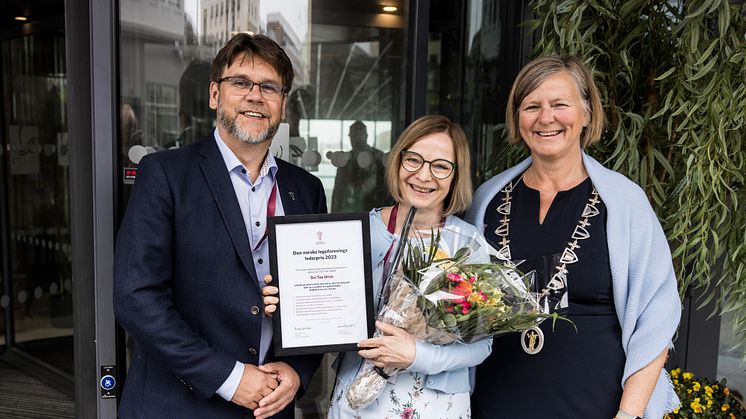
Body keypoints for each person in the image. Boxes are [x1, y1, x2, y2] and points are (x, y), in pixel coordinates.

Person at [113, 33, 326, 419]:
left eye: (270, 87)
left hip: (271, 406)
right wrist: (227, 377)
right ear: (215, 94)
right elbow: (136, 297)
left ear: (283, 104)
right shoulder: (164, 175)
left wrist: (299, 370)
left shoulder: (306, 189)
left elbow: (317, 297)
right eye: (241, 82)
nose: (255, 96)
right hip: (181, 404)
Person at [465, 55, 681, 419]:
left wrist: (629, 415)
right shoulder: (487, 199)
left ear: (586, 114)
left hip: (596, 406)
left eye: (560, 104)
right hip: (495, 402)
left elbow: (656, 321)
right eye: (532, 106)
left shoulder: (624, 203)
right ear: (518, 118)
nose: (546, 117)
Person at [264, 115, 493, 417]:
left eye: (439, 166)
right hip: (359, 402)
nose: (423, 176)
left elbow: (482, 344)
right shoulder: (357, 233)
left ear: (455, 175)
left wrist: (417, 354)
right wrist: (291, 303)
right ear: (398, 162)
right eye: (413, 160)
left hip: (437, 404)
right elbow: (330, 323)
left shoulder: (467, 244)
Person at [330, 120, 387, 212]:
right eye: (353, 136)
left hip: (372, 213)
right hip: (349, 213)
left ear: (366, 136)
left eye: (359, 135)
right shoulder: (345, 160)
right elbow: (338, 192)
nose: (356, 140)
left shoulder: (378, 159)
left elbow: (386, 189)